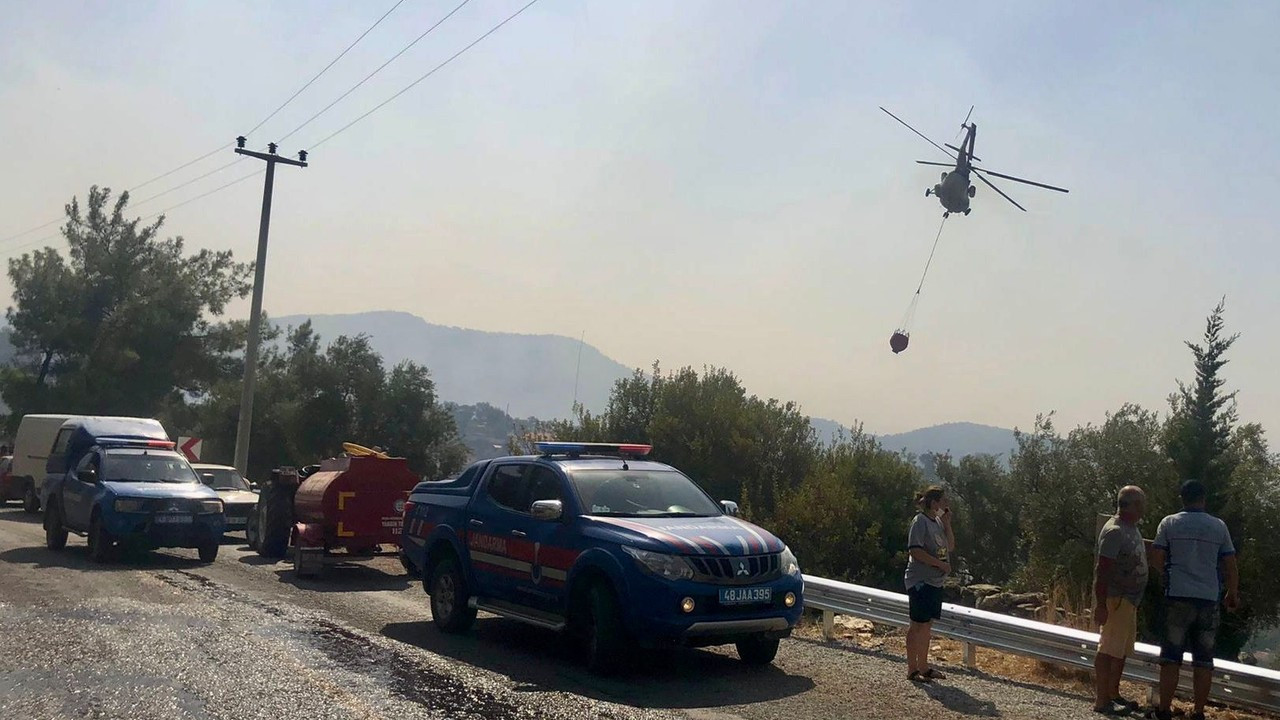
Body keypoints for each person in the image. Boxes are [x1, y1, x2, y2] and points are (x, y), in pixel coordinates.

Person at [1150, 479, 1239, 720]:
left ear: (1182, 498)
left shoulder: (1169, 523)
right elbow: (1230, 563)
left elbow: (1156, 555)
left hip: (1177, 595)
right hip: (1208, 599)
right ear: (1203, 499)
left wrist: (1166, 576)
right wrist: (1232, 593)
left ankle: (1164, 709)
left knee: (1170, 658)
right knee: (1203, 661)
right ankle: (1198, 711)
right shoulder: (1218, 526)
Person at [1092, 486, 1149, 715]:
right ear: (1131, 505)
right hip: (1116, 600)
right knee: (1107, 650)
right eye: (1141, 504)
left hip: (1129, 601)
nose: (1143, 509)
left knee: (1120, 651)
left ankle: (1113, 694)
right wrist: (1101, 604)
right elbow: (1102, 569)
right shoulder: (1115, 531)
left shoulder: (1131, 528)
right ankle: (1102, 700)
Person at [904, 485, 955, 683]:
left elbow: (950, 546)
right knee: (917, 624)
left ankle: (924, 667)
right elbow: (915, 551)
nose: (946, 505)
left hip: (935, 581)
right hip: (920, 581)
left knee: (927, 625)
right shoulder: (919, 522)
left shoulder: (938, 523)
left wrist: (948, 524)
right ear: (934, 503)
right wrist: (939, 564)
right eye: (943, 502)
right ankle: (912, 668)